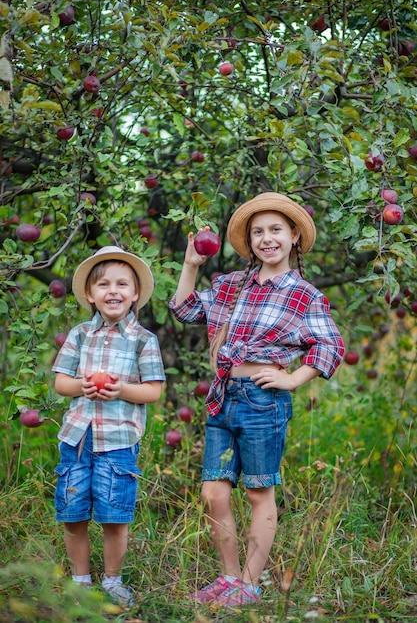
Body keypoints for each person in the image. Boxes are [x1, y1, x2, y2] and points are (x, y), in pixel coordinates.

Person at [169, 192, 345, 609]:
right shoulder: (231, 285)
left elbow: (330, 345)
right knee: (214, 492)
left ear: (294, 236)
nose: (267, 238)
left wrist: (293, 378)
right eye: (258, 232)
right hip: (223, 396)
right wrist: (191, 265)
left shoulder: (304, 295)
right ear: (250, 242)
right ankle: (229, 576)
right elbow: (185, 309)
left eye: (276, 230)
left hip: (263, 401)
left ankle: (248, 584)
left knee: (258, 492)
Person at [53, 245, 165, 606]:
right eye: (103, 285)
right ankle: (80, 580)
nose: (112, 291)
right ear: (90, 293)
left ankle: (113, 580)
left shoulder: (144, 340)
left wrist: (121, 390)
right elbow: (61, 383)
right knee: (73, 512)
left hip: (118, 441)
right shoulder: (79, 334)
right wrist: (81, 385)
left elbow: (153, 391)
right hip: (77, 437)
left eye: (122, 284)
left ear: (135, 294)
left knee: (115, 514)